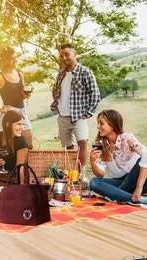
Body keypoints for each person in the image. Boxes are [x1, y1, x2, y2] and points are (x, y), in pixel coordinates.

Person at [51, 43, 101, 175]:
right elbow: (55, 90)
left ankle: (81, 172)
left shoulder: (85, 72)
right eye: (62, 55)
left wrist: (87, 113)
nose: (64, 58)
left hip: (78, 116)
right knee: (68, 147)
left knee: (83, 144)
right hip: (62, 116)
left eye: (67, 54)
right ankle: (72, 173)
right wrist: (57, 104)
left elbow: (95, 94)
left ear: (75, 54)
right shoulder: (61, 74)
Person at [90, 109, 147, 204]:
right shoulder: (102, 145)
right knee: (94, 182)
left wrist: (138, 188)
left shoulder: (127, 139)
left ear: (112, 125)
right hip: (120, 182)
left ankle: (117, 195)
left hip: (138, 181)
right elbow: (100, 174)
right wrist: (93, 162)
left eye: (101, 123)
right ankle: (135, 199)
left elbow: (146, 154)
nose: (98, 126)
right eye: (98, 123)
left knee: (143, 158)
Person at [0, 46, 33, 149]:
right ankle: (13, 165)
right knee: (10, 146)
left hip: (22, 112)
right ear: (5, 61)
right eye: (12, 58)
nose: (15, 60)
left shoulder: (20, 75)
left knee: (29, 145)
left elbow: (19, 96)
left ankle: (23, 165)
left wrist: (24, 96)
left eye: (15, 57)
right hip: (9, 114)